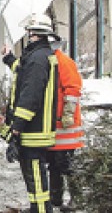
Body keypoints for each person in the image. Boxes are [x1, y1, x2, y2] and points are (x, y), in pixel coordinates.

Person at [0, 13, 59, 213]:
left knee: (35, 174)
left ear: (33, 33)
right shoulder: (39, 56)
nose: (27, 35)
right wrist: (9, 59)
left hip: (34, 130)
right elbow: (23, 71)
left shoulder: (37, 59)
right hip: (35, 128)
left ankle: (41, 209)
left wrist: (16, 127)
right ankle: (37, 207)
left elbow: (30, 96)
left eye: (28, 32)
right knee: (33, 175)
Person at [48, 37, 84, 212]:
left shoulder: (63, 62)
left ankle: (75, 198)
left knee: (66, 164)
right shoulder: (52, 61)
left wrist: (67, 114)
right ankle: (56, 199)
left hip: (65, 126)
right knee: (54, 164)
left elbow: (73, 89)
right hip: (56, 124)